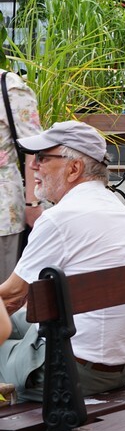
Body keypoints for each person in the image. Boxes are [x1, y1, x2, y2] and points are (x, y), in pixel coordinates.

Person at [0, 121, 125, 400]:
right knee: (17, 325)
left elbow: (11, 296)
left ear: (74, 169)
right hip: (117, 368)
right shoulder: (122, 211)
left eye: (43, 157)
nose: (33, 166)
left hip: (70, 373)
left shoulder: (59, 219)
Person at [0, 70, 42, 281]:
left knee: (4, 294)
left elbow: (33, 148)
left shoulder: (8, 86)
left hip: (3, 211)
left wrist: (32, 204)